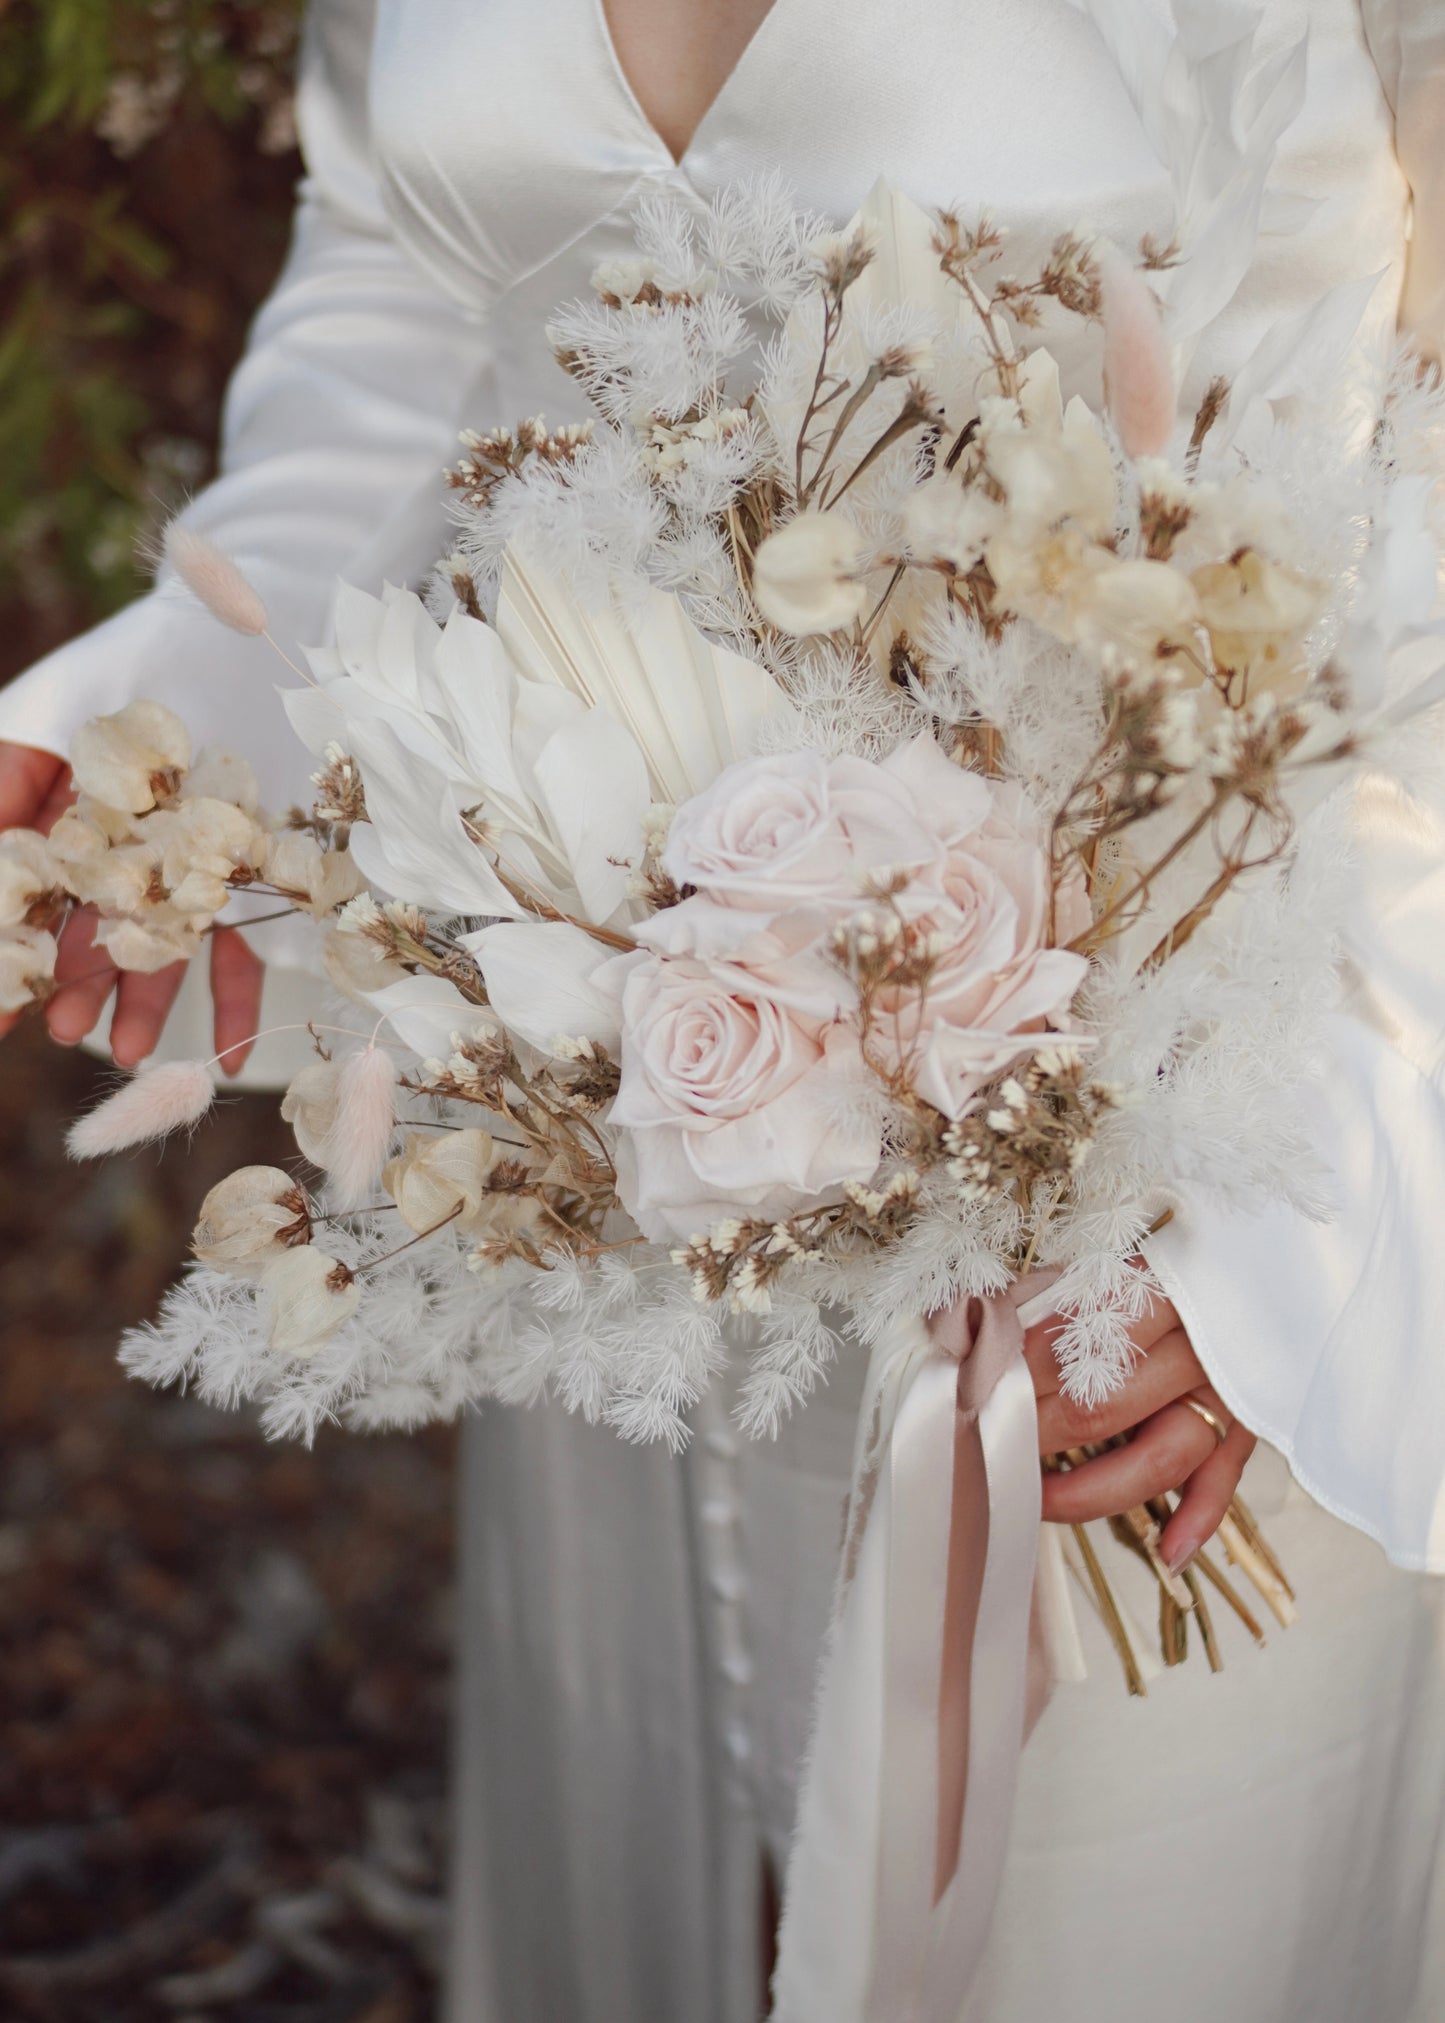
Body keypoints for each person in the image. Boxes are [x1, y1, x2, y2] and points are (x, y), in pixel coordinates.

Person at [2, 2, 1444, 2017]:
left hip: (1159, 1155)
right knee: (686, 1830)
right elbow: (418, 284)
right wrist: (189, 731)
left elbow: (1399, 462)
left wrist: (1331, 1189)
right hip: (630, 1104)